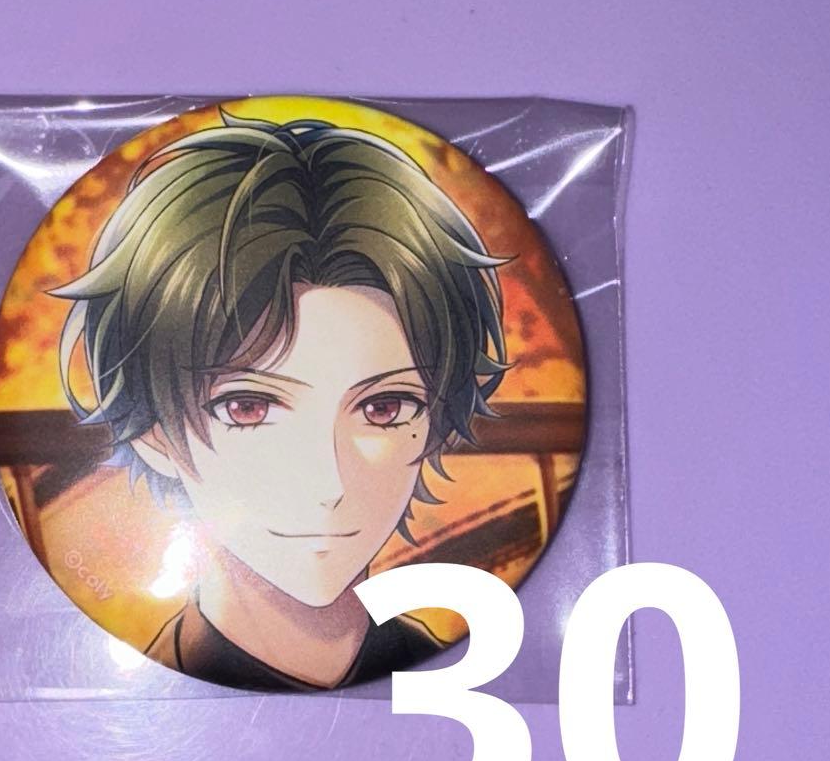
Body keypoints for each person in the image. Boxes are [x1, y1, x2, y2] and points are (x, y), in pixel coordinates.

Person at [53, 112, 510, 690]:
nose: (327, 483)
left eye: (384, 409)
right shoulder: (137, 684)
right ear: (154, 432)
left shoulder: (458, 666)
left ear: (435, 419)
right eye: (249, 409)